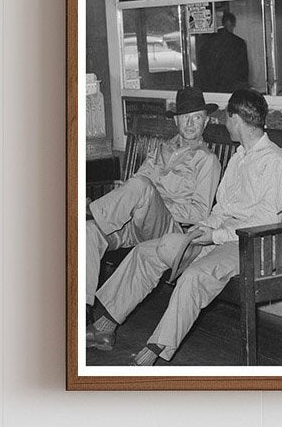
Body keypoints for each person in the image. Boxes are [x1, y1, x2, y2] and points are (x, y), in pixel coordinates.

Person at [87, 89, 282, 365]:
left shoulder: (273, 160)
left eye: (226, 118)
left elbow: (265, 219)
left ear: (235, 119)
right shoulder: (239, 158)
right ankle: (106, 323)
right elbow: (220, 209)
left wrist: (216, 234)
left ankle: (156, 348)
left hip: (251, 242)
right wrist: (200, 230)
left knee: (194, 276)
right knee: (148, 252)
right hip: (221, 235)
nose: (224, 124)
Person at [86, 88, 221, 332]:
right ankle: (82, 311)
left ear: (206, 121)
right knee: (87, 232)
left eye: (197, 117)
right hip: (139, 222)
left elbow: (201, 213)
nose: (190, 123)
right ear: (176, 120)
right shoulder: (160, 149)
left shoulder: (207, 161)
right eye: (185, 117)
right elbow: (135, 187)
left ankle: (91, 210)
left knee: (141, 187)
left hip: (169, 228)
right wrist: (142, 202)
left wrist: (158, 204)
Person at [196, 10, 249, 93]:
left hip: (210, 93)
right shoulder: (239, 43)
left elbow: (202, 72)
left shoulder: (205, 44)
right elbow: (243, 72)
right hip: (233, 92)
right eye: (233, 26)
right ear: (229, 24)